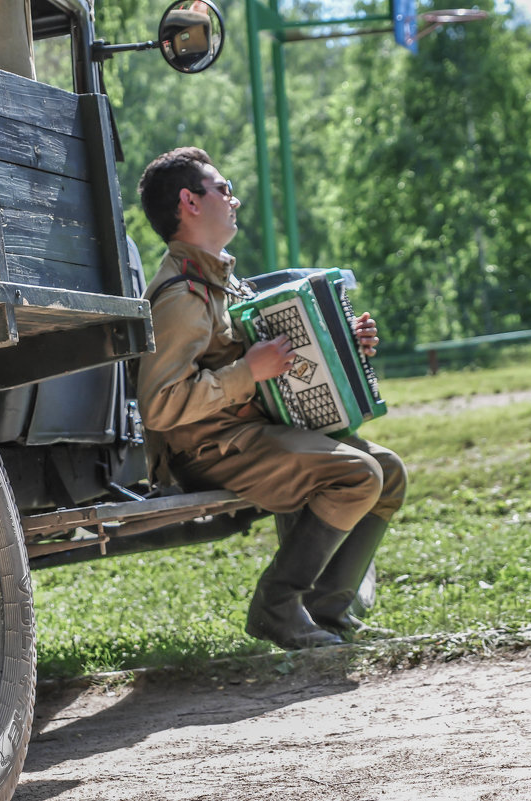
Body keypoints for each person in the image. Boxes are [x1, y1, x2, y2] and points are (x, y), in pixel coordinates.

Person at [135, 146, 407, 650]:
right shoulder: (181, 297)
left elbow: (279, 359)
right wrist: (247, 372)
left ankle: (327, 612)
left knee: (387, 473)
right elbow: (161, 405)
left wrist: (348, 341)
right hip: (210, 450)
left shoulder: (221, 282)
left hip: (247, 435)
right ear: (189, 203)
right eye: (223, 189)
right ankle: (277, 607)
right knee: (357, 475)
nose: (232, 199)